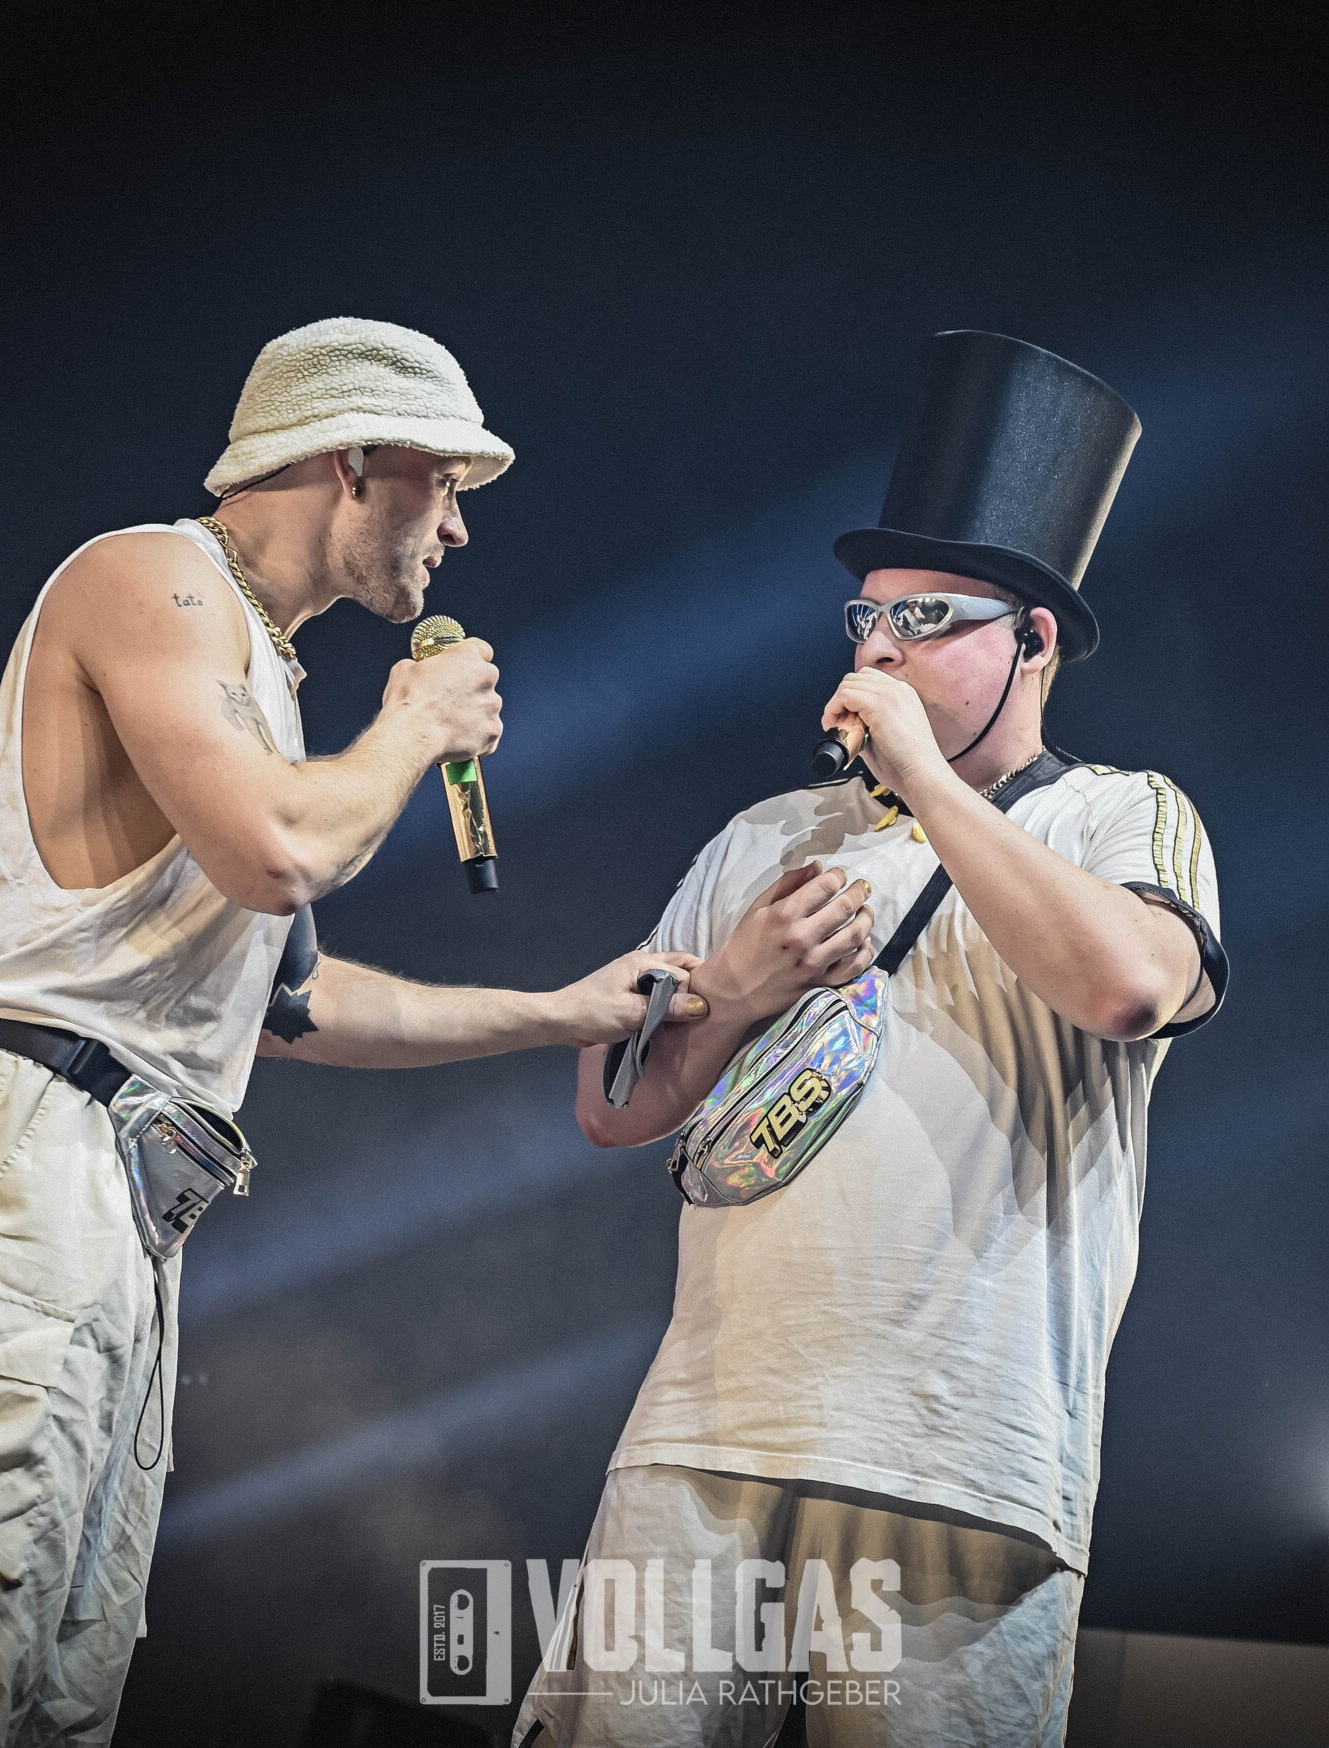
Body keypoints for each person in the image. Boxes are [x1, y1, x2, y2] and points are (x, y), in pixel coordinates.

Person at [0, 317, 703, 1745]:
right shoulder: (151, 578)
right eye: (446, 484)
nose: (458, 529)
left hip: (120, 1197)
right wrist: (415, 724)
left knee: (58, 1676)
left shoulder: (260, 679)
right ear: (354, 461)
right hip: (18, 1155)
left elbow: (292, 1000)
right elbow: (280, 850)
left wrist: (561, 1010)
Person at [512, 331, 1227, 1748]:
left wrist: (923, 783)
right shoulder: (769, 835)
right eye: (869, 619)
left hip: (962, 1454)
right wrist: (732, 988)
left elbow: (1130, 989)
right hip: (709, 1425)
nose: (881, 648)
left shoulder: (1119, 814)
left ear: (1034, 640)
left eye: (929, 618)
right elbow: (614, 1109)